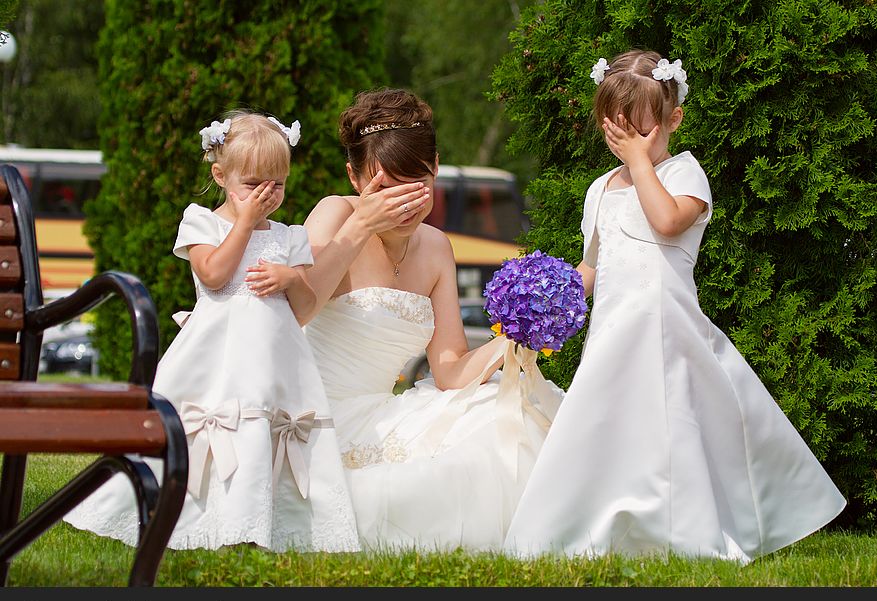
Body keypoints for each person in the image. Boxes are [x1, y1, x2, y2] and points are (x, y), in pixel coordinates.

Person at [503, 50, 846, 562]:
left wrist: (641, 163)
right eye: (618, 135)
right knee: (608, 421)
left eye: (643, 135)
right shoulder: (600, 189)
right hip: (614, 327)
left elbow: (665, 222)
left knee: (672, 424)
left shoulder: (686, 175)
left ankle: (686, 529)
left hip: (666, 326)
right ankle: (598, 522)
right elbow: (594, 264)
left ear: (673, 121)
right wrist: (549, 300)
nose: (630, 148)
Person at [247, 88, 563, 552]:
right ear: (355, 178)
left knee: (503, 414)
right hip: (313, 411)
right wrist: (360, 227)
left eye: (415, 186)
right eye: (385, 190)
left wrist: (517, 335)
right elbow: (299, 308)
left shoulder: (436, 248)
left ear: (434, 166)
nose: (403, 205)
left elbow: (451, 370)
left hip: (380, 409)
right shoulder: (334, 215)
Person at [65, 110, 360, 553]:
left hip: (276, 361)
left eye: (277, 185)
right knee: (211, 429)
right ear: (220, 175)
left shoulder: (289, 236)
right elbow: (215, 275)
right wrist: (242, 224)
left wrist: (291, 278)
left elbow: (303, 310)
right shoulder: (202, 222)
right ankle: (193, 516)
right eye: (253, 185)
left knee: (267, 425)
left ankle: (268, 524)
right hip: (216, 357)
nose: (266, 196)